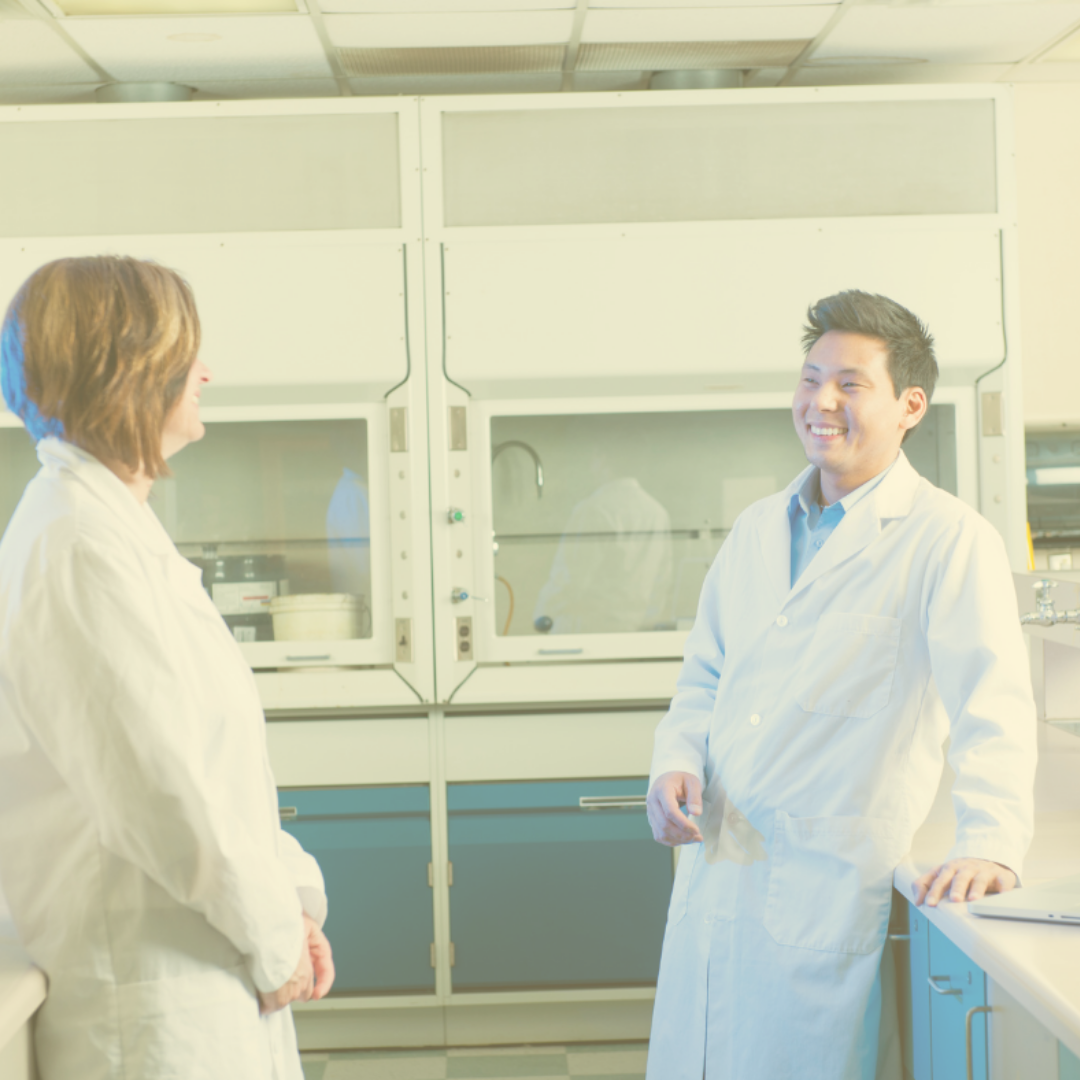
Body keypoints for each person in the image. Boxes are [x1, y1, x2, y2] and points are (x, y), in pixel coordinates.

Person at [644, 290, 1036, 1080]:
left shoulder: (948, 540)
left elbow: (992, 704)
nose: (821, 401)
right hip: (714, 884)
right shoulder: (757, 529)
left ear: (909, 405)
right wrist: (674, 760)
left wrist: (991, 842)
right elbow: (705, 675)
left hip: (821, 896)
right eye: (810, 377)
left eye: (851, 384)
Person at [0, 256, 334, 1080]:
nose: (207, 373)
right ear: (127, 370)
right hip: (150, 1001)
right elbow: (163, 792)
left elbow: (221, 774)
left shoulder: (112, 529)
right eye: (188, 355)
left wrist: (290, 906)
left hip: (196, 970)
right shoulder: (76, 542)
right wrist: (273, 935)